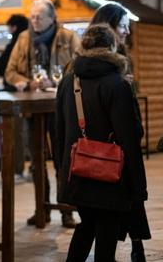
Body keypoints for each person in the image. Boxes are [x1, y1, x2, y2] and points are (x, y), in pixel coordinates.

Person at [55, 24, 147, 262]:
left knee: (87, 225)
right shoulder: (117, 84)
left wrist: (61, 172)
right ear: (113, 47)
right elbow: (129, 138)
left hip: (77, 171)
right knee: (106, 234)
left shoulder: (68, 81)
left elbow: (59, 132)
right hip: (111, 176)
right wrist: (138, 186)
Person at [5, 0, 80, 228]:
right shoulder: (24, 38)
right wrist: (28, 83)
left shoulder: (68, 37)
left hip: (61, 107)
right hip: (33, 108)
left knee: (62, 158)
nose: (34, 20)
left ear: (51, 18)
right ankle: (42, 209)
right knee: (37, 160)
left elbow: (79, 67)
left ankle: (66, 210)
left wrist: (58, 82)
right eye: (32, 16)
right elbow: (10, 72)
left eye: (39, 17)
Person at [89, 3, 150, 261]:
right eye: (123, 26)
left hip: (124, 132)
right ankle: (128, 248)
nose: (127, 31)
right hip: (102, 141)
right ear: (109, 26)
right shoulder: (90, 61)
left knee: (131, 193)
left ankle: (137, 245)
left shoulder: (123, 56)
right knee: (117, 198)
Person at [0, 14, 29, 86]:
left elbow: (2, 64)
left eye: (9, 27)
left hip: (16, 81)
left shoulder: (15, 43)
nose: (9, 30)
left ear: (14, 27)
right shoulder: (29, 40)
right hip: (24, 81)